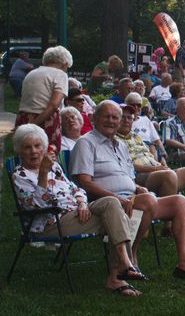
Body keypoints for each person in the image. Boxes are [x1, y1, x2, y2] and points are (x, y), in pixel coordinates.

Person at [71, 101, 185, 281]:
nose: (111, 121)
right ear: (94, 118)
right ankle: (131, 258)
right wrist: (117, 198)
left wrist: (139, 187)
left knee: (179, 202)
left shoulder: (121, 146)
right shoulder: (86, 143)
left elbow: (128, 176)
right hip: (106, 204)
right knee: (147, 201)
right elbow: (83, 182)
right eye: (106, 116)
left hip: (132, 199)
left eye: (115, 117)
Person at [12, 124, 144, 296]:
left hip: (78, 212)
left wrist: (82, 203)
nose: (34, 151)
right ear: (19, 151)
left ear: (44, 148)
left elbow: (76, 188)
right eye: (27, 147)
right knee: (119, 218)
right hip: (51, 223)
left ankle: (122, 269)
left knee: (112, 203)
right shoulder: (20, 175)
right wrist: (43, 174)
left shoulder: (55, 167)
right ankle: (119, 274)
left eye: (37, 146)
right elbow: (36, 206)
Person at [117, 104, 185, 235]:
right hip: (138, 177)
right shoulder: (114, 140)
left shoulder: (136, 136)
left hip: (157, 170)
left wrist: (160, 163)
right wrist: (155, 168)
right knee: (168, 175)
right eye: (122, 117)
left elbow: (151, 154)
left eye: (129, 118)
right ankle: (168, 226)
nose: (126, 120)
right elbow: (126, 165)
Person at [15, 46, 73, 155]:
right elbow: (54, 105)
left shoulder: (31, 74)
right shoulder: (60, 74)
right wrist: (33, 126)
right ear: (64, 63)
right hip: (45, 120)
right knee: (48, 156)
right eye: (67, 67)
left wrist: (26, 127)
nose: (66, 69)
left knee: (25, 156)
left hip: (22, 118)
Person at [125, 92, 168, 163]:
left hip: (151, 147)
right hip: (136, 148)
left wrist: (163, 151)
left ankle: (161, 169)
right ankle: (156, 168)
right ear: (127, 105)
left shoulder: (145, 119)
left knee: (161, 158)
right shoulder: (125, 122)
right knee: (152, 148)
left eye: (139, 105)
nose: (136, 107)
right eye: (133, 105)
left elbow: (156, 139)